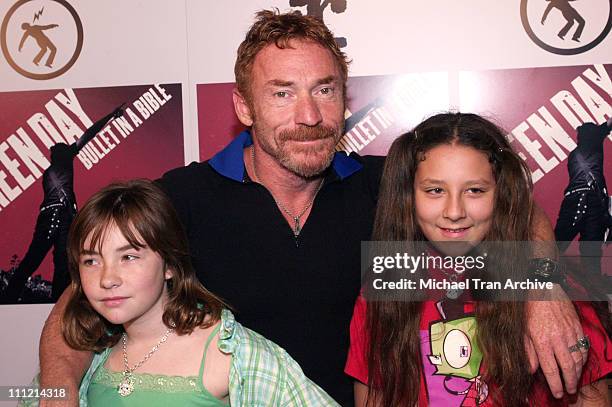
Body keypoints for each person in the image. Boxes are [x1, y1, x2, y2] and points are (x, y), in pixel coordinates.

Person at [38, 10, 587, 407]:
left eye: (324, 90)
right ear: (243, 107)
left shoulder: (387, 183)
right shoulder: (183, 197)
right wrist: (56, 393)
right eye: (282, 93)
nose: (308, 115)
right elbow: (79, 307)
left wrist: (539, 286)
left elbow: (512, 207)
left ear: (344, 100)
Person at [345, 113, 611, 406]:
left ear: (502, 193)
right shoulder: (385, 286)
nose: (455, 211)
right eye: (435, 190)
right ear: (409, 196)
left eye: (475, 190)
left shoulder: (554, 292)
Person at [20, 179, 338, 406]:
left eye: (129, 257)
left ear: (170, 265)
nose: (107, 278)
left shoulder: (233, 354)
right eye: (91, 260)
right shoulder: (90, 352)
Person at [2, 105, 124, 303]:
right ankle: (14, 297)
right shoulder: (59, 164)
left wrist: (111, 115)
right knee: (48, 260)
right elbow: (89, 134)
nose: (55, 151)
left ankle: (51, 302)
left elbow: (90, 133)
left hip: (58, 214)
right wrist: (110, 115)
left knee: (58, 262)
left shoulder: (59, 164)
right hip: (56, 214)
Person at [554, 118, 612, 277]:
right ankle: (595, 295)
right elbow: (607, 126)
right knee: (591, 255)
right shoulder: (593, 144)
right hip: (591, 201)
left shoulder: (574, 154)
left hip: (576, 199)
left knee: (556, 246)